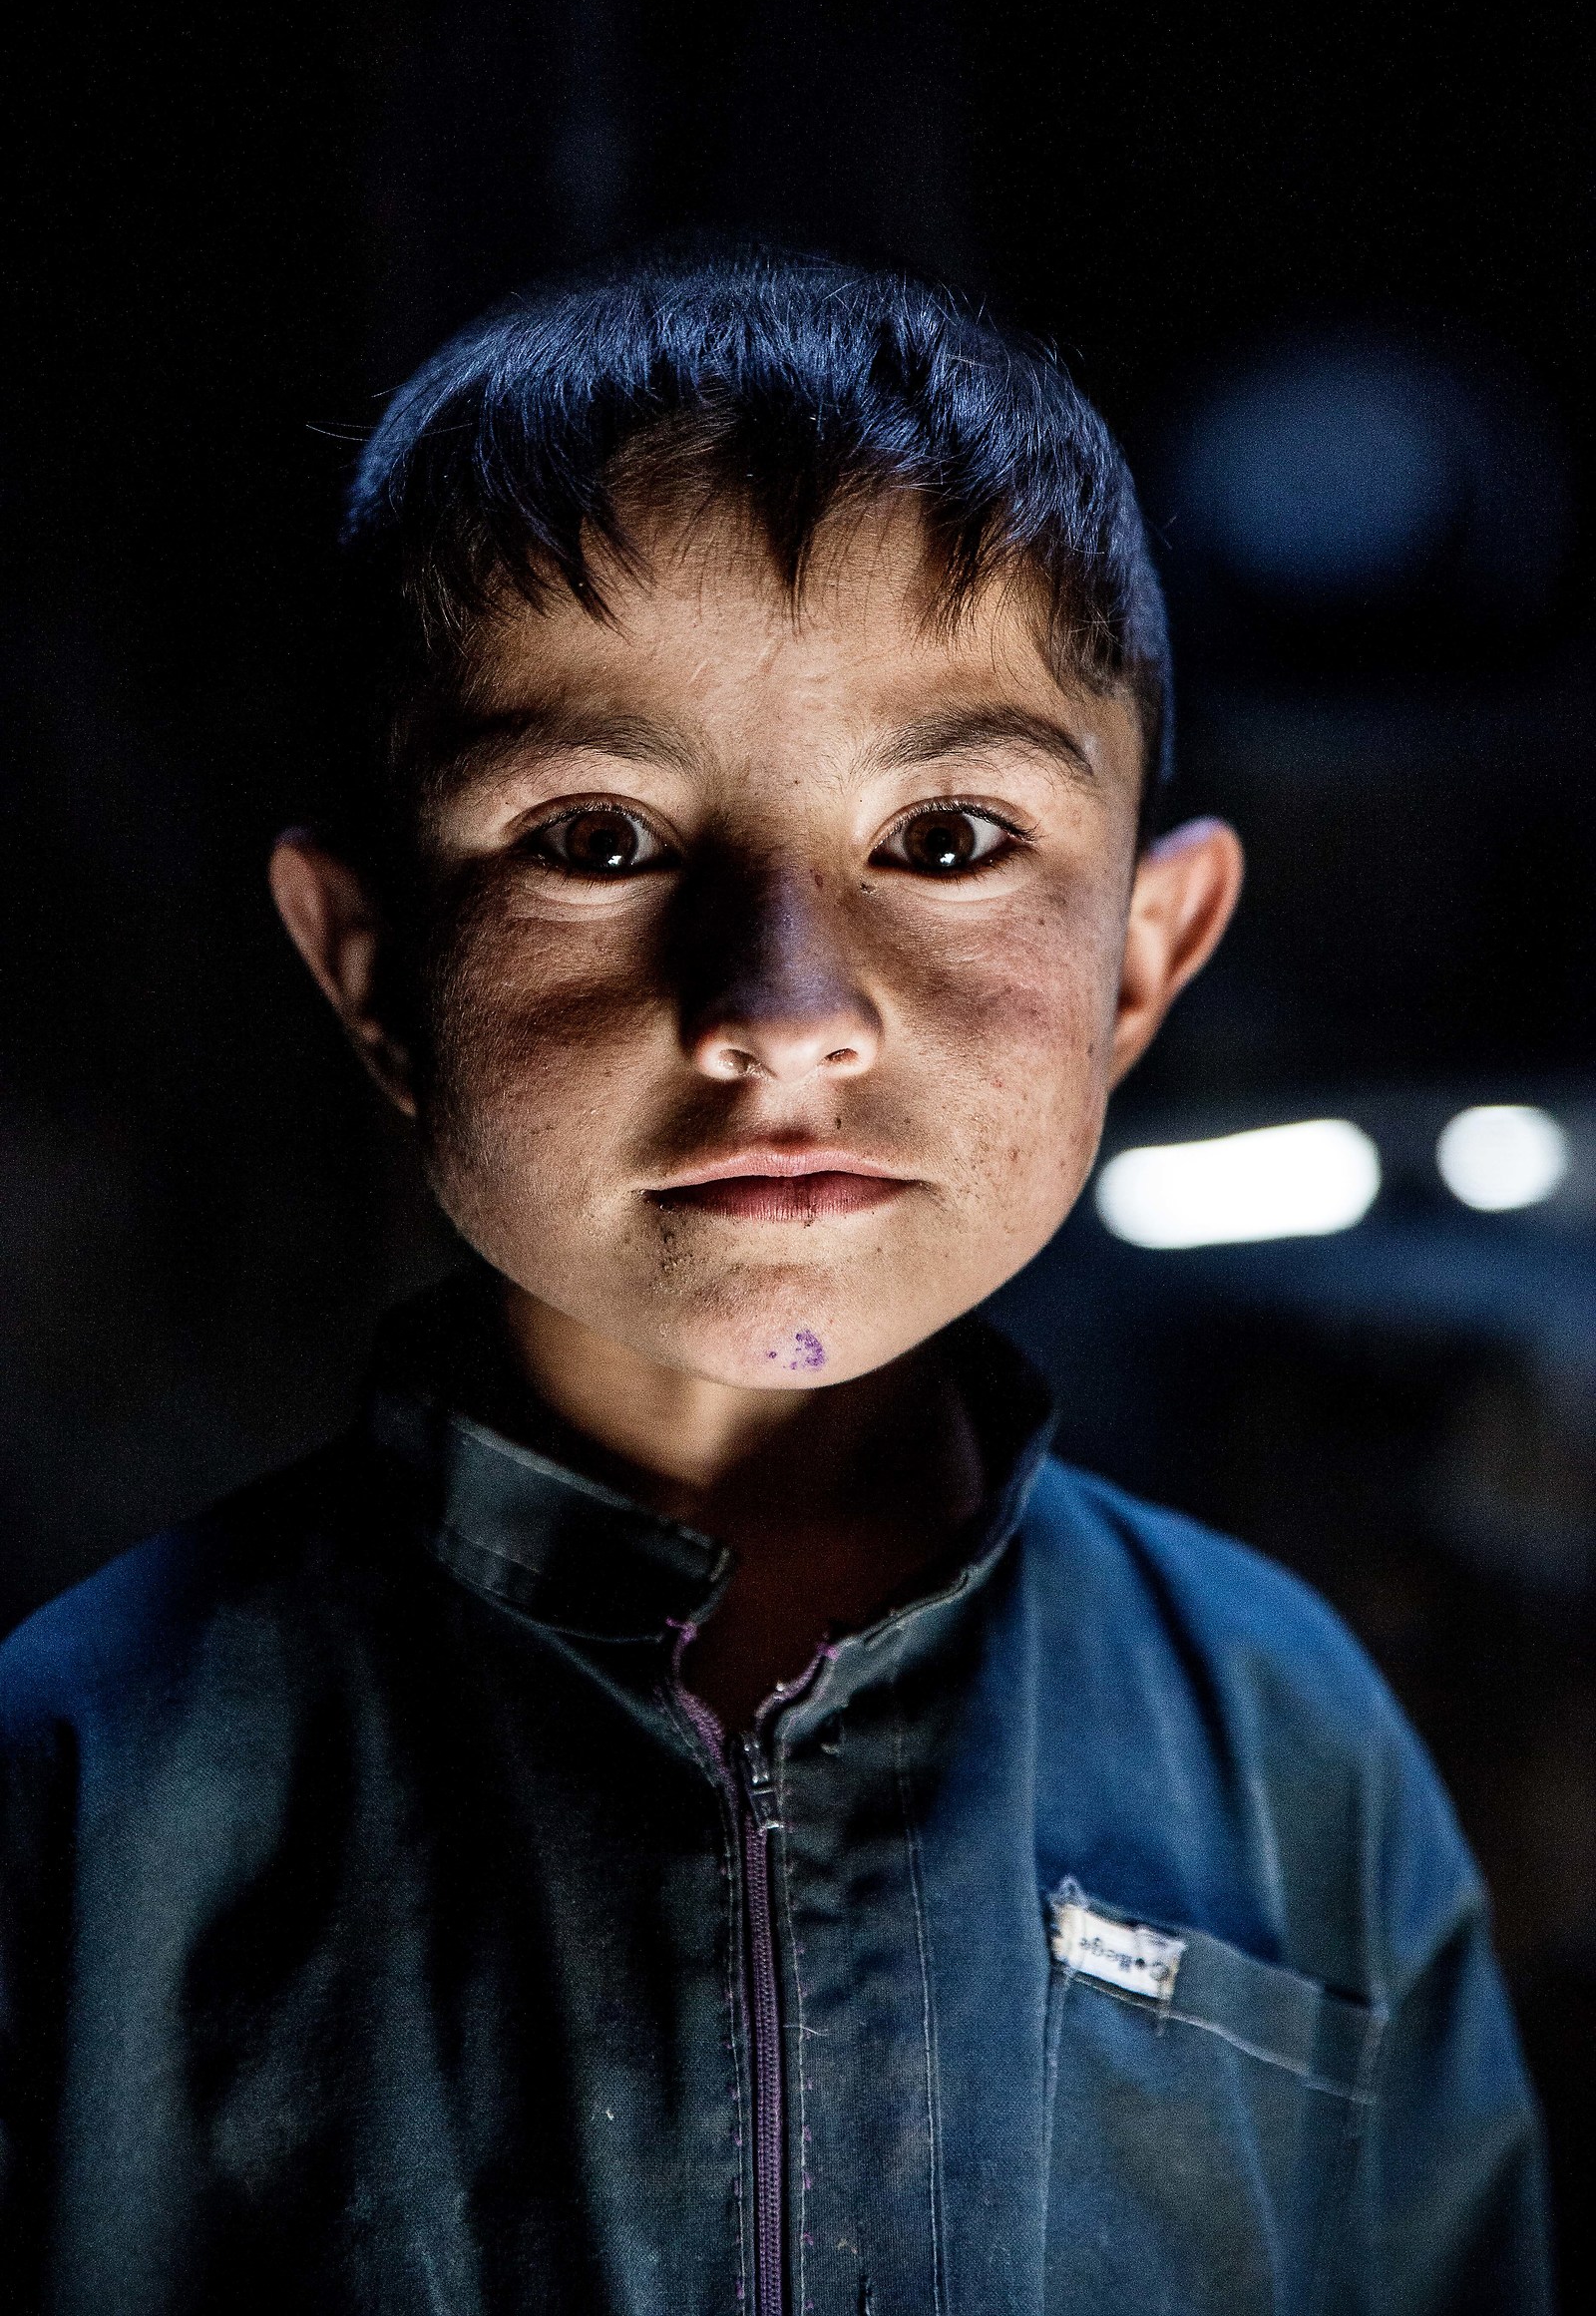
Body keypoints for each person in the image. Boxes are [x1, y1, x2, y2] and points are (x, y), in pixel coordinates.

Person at [0, 250, 1548, 2315]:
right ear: (371, 969)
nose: (783, 1011)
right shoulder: (92, 1771)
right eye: (595, 839)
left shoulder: (1283, 1743)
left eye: (948, 838)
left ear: (1143, 960)